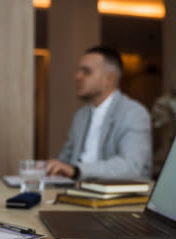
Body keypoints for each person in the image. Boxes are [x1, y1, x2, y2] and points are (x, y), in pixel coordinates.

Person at [47, 46, 152, 180]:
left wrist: (77, 170)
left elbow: (132, 166)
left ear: (110, 79)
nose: (77, 76)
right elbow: (65, 161)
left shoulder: (134, 113)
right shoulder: (81, 116)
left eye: (86, 72)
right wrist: (48, 168)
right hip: (76, 191)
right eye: (78, 71)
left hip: (116, 198)